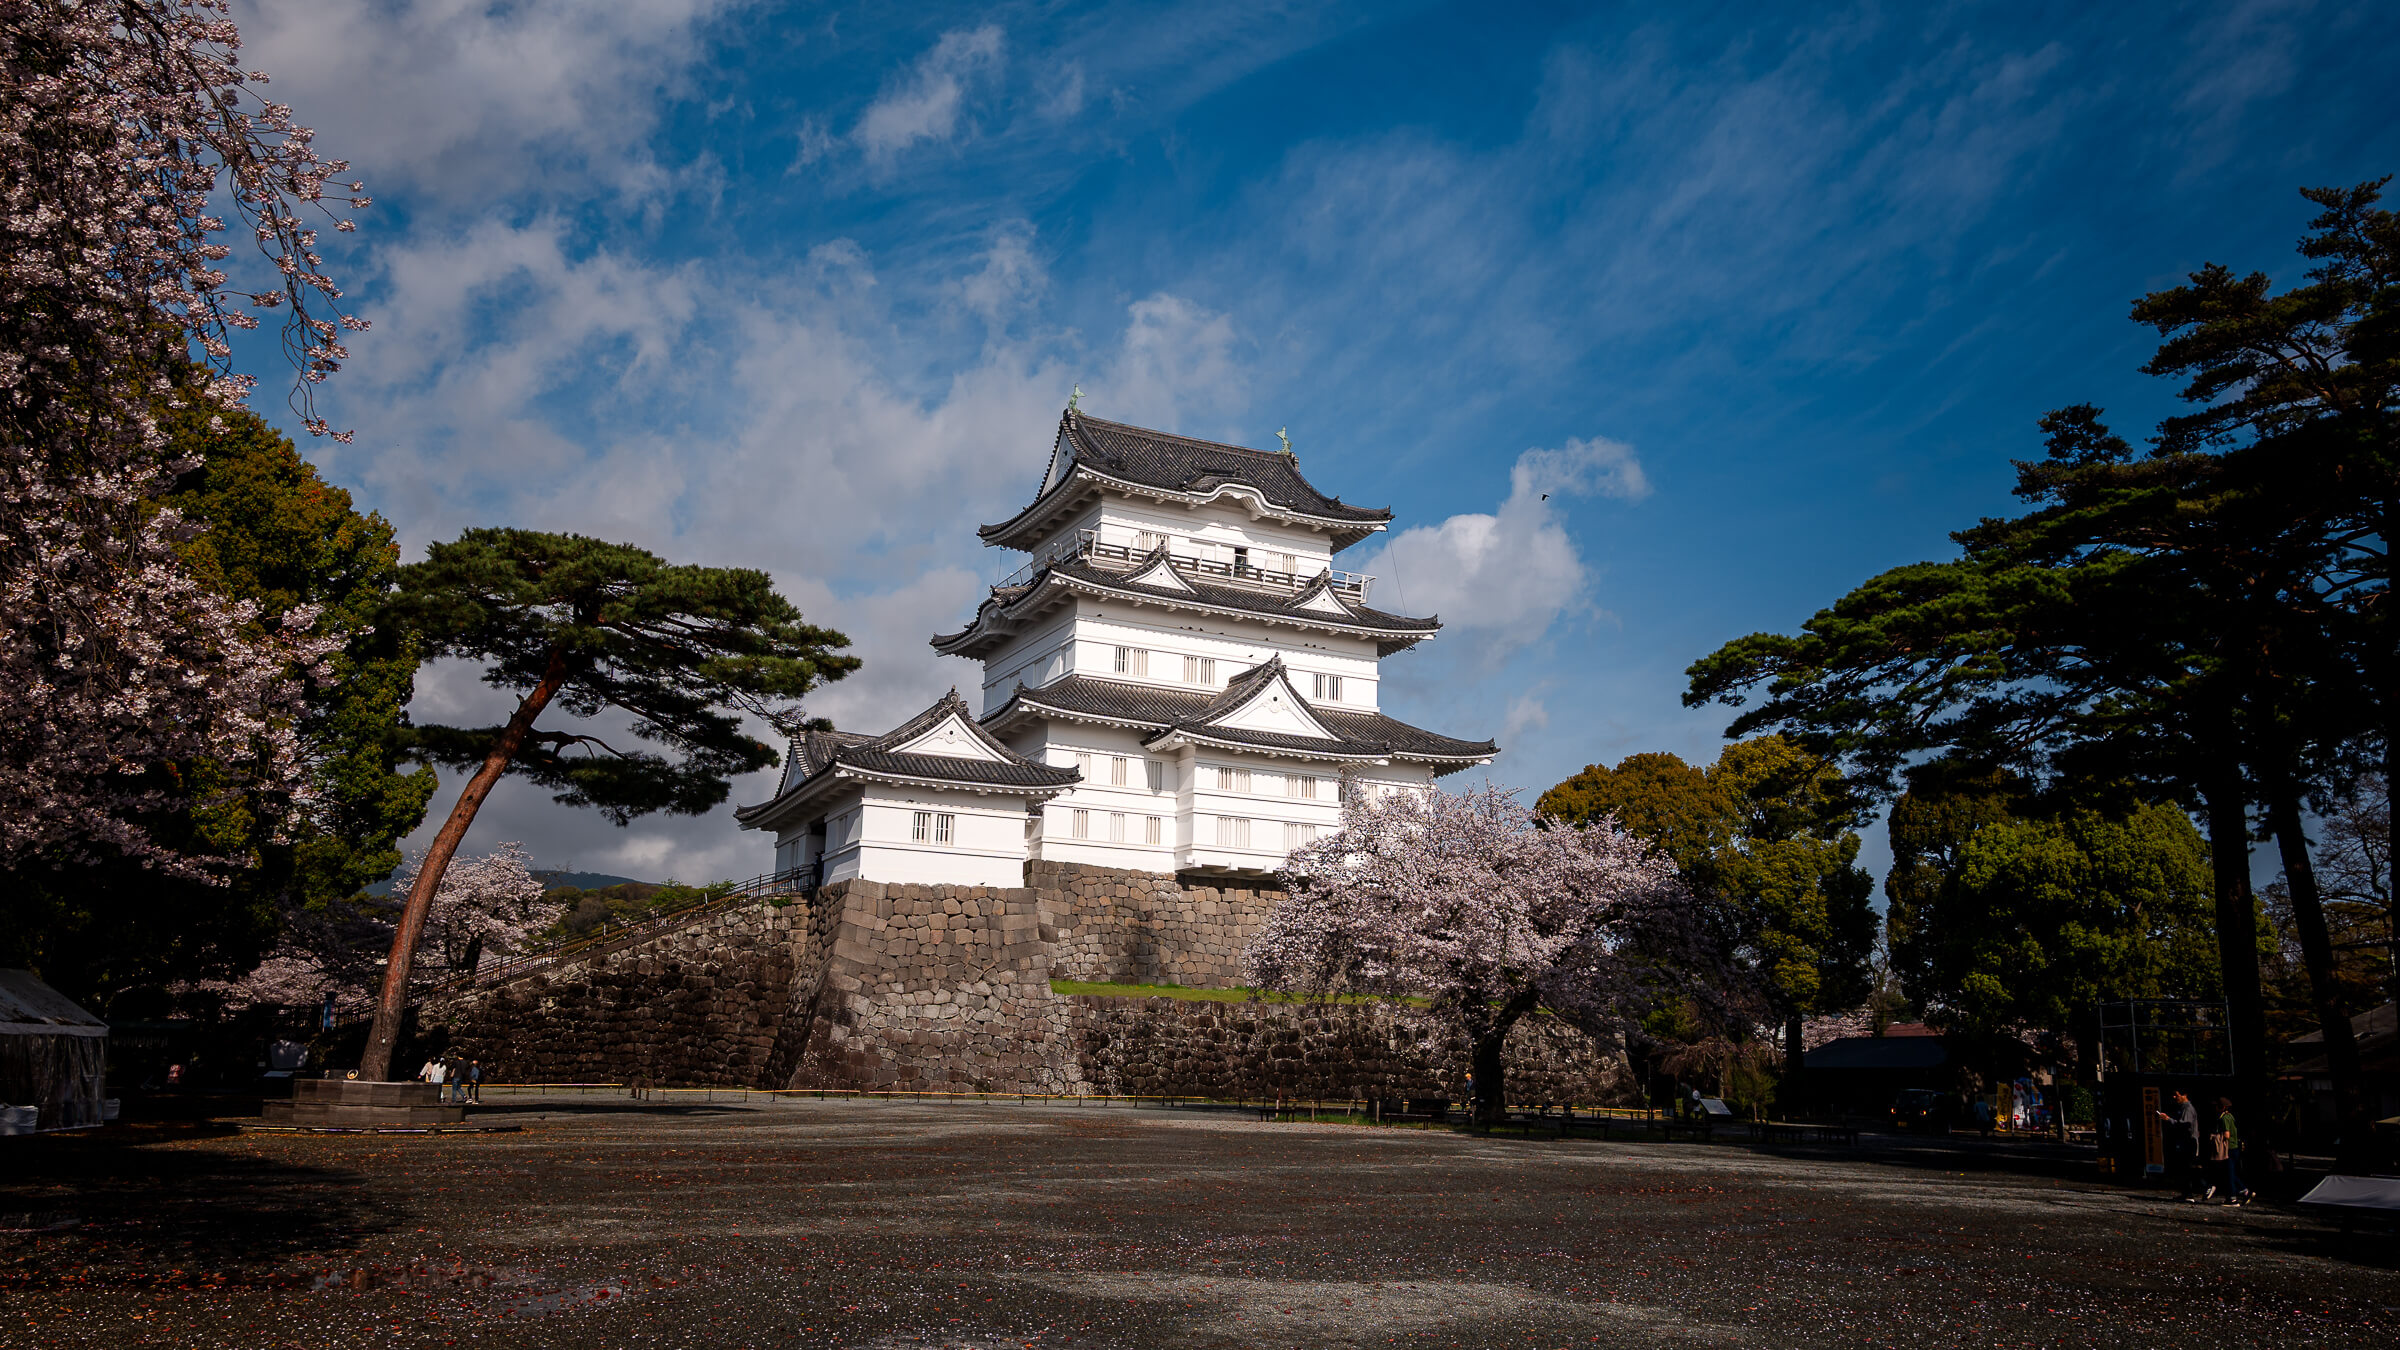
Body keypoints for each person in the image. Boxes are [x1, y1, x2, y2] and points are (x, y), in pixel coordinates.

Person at [2159, 1090, 2202, 1195]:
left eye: (2176, 1095)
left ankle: (2199, 1188)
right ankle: (2187, 1193)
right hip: (2186, 1141)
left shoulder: (2187, 1108)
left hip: (2189, 1142)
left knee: (2187, 1168)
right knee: (2184, 1168)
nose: (2174, 1097)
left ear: (2185, 1095)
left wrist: (2168, 1119)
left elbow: (2184, 1125)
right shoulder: (2183, 1108)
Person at [2211, 1096, 2250, 1206]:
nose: (2215, 1108)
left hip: (2229, 1149)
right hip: (2235, 1147)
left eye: (2217, 1106)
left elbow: (2227, 1135)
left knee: (2229, 1174)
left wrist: (2216, 1138)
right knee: (2230, 1173)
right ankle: (2245, 1191)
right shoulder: (2230, 1116)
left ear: (2222, 1107)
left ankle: (2232, 1198)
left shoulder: (2223, 1118)